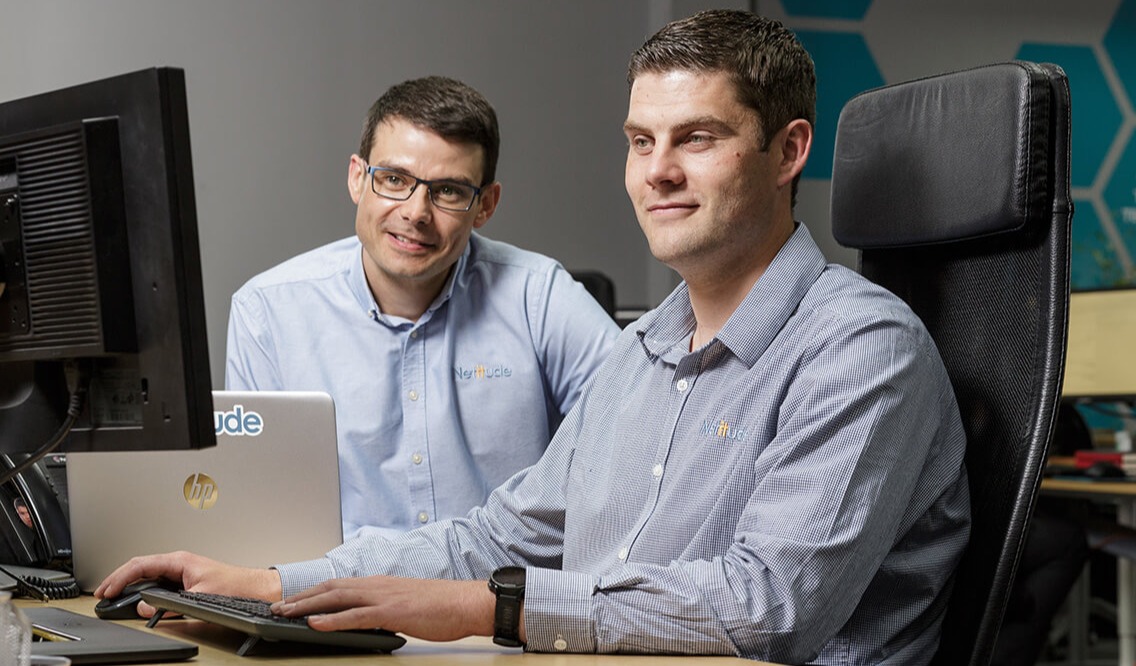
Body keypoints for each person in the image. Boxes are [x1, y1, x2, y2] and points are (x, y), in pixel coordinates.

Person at [98, 10, 970, 664]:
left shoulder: (861, 348)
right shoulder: (639, 355)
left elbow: (770, 605)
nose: (658, 170)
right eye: (640, 140)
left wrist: (494, 609)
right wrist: (270, 583)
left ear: (788, 152)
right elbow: (494, 538)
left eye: (697, 138)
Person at [224, 76, 619, 539]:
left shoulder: (540, 296)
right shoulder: (266, 313)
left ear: (485, 205)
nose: (416, 212)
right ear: (358, 178)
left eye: (448, 190)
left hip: (489, 597)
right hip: (333, 595)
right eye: (394, 180)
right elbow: (258, 512)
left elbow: (636, 439)